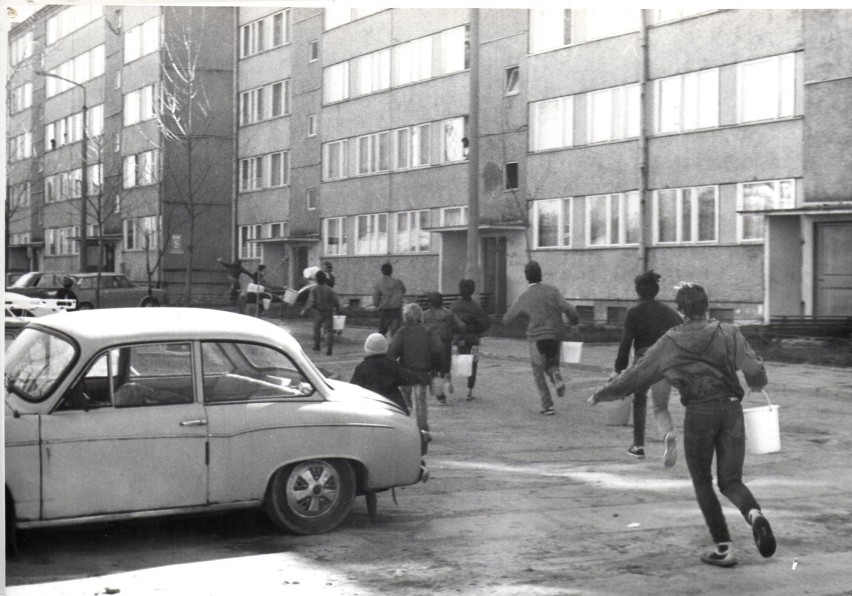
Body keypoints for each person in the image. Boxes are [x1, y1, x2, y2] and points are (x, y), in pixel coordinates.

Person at [589, 282, 776, 568]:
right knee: (731, 480)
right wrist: (755, 383)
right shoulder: (728, 332)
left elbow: (638, 374)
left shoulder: (670, 341)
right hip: (731, 411)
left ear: (680, 311)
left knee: (703, 481)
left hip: (700, 415)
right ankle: (755, 516)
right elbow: (754, 368)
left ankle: (724, 547)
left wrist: (605, 393)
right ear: (707, 306)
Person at [614, 270, 683, 466]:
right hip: (664, 360)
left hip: (643, 361)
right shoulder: (670, 313)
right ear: (656, 290)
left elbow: (626, 343)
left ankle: (638, 446)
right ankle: (667, 434)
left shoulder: (633, 313)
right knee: (661, 406)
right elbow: (682, 334)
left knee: (640, 400)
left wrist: (619, 369)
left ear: (637, 291)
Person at [502, 261, 579, 416]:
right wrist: (574, 321)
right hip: (555, 335)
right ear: (541, 274)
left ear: (526, 277)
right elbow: (568, 308)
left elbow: (507, 318)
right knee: (552, 364)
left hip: (536, 337)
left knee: (538, 371)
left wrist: (518, 319)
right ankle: (555, 375)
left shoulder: (525, 296)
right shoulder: (552, 291)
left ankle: (547, 405)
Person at [388, 303, 439, 445]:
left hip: (405, 373)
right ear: (420, 316)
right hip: (422, 373)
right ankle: (423, 430)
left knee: (404, 399)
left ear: (406, 317)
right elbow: (437, 351)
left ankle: (404, 427)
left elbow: (392, 352)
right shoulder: (428, 332)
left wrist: (393, 368)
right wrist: (436, 368)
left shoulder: (402, 332)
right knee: (421, 401)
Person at [450, 279, 491, 401]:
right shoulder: (476, 307)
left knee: (461, 361)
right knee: (474, 363)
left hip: (459, 339)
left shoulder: (454, 306)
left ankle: (451, 383)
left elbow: (450, 322)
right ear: (472, 291)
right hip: (473, 339)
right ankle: (470, 390)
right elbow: (485, 323)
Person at [350, 333, 410, 415]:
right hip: (393, 402)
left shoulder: (362, 367)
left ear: (367, 348)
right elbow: (405, 379)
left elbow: (354, 387)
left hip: (372, 402)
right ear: (385, 347)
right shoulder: (392, 364)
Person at [422, 292, 465, 404]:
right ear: (442, 301)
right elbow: (462, 325)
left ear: (429, 302)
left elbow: (417, 325)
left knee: (433, 369)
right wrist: (458, 336)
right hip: (445, 344)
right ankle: (444, 382)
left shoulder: (424, 315)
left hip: (430, 345)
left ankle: (439, 393)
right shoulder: (449, 314)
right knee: (444, 367)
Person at [301, 270, 340, 355]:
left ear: (317, 280)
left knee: (316, 329)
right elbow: (336, 301)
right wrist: (338, 310)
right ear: (325, 279)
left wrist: (305, 310)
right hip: (329, 312)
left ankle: (317, 345)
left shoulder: (314, 290)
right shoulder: (330, 290)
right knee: (329, 330)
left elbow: (311, 301)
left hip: (319, 312)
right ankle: (329, 346)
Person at [373, 262, 406, 338]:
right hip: (396, 311)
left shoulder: (379, 284)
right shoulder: (398, 282)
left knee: (381, 333)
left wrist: (378, 304)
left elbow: (375, 302)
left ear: (382, 272)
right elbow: (404, 291)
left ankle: (380, 348)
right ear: (391, 271)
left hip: (385, 311)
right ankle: (396, 348)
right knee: (396, 334)